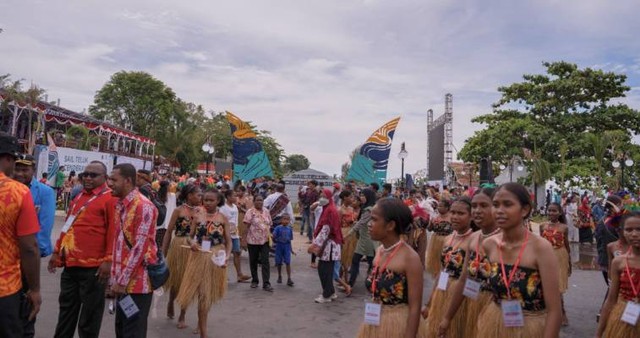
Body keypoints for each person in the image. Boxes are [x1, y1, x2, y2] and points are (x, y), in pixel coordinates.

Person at [476, 183, 561, 337]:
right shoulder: (489, 245)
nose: (499, 211)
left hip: (532, 328)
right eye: (495, 205)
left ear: (525, 210)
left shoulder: (541, 248)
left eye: (507, 204)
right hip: (495, 325)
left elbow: (554, 310)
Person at [48, 160, 117, 338]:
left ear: (105, 178)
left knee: (89, 319)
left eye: (93, 175)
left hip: (94, 270)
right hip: (71, 266)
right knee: (66, 314)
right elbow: (67, 227)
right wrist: (57, 252)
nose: (87, 178)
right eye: (85, 174)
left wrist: (108, 260)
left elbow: (113, 233)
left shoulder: (110, 199)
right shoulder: (78, 196)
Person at [356, 198, 424, 337]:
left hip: (398, 327)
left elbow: (415, 307)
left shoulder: (410, 258)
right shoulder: (380, 250)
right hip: (375, 321)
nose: (369, 224)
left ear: (390, 225)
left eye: (374, 220)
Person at [438, 187, 498, 338]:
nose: (477, 210)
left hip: (496, 312)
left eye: (484, 206)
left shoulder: (507, 241)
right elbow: (464, 279)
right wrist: (447, 317)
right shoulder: (474, 238)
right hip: (471, 302)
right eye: (475, 206)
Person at [108, 163, 158, 338]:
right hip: (122, 286)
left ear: (128, 181)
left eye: (114, 179)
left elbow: (139, 248)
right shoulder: (121, 205)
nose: (110, 183)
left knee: (133, 332)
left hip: (137, 286)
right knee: (122, 331)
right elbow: (119, 245)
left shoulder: (144, 206)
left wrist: (121, 281)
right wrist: (114, 279)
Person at [0, 132, 41, 338]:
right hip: (4, 289)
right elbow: (29, 247)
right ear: (8, 158)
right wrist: (34, 289)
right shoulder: (18, 192)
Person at [177, 189, 231, 338]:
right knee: (200, 294)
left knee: (206, 295)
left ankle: (202, 327)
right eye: (205, 200)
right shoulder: (198, 216)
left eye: (211, 200)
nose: (207, 202)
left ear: (218, 201)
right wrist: (192, 243)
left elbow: (228, 242)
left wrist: (226, 257)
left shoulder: (223, 218)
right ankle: (203, 332)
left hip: (215, 258)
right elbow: (190, 236)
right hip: (199, 257)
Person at [13, 154, 55, 336]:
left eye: (25, 170)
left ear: (33, 170)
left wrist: (36, 253)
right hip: (7, 258)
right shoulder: (7, 188)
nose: (20, 173)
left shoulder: (44, 192)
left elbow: (45, 227)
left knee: (27, 301)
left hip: (28, 257)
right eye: (18, 169)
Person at [422, 197, 474, 337]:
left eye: (461, 213)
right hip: (443, 291)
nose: (455, 217)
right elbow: (441, 272)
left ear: (471, 216)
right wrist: (429, 303)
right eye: (453, 212)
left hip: (462, 297)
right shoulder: (448, 239)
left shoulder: (474, 241)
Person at [161, 183, 201, 328]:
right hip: (178, 247)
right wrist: (163, 252)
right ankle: (171, 301)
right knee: (176, 280)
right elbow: (168, 231)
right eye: (198, 194)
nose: (200, 197)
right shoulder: (178, 211)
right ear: (189, 196)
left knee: (188, 282)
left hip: (194, 248)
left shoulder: (200, 211)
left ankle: (182, 315)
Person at [596, 212, 640, 337]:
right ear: (622, 232)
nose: (634, 234)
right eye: (629, 230)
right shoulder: (619, 262)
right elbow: (611, 300)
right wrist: (599, 333)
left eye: (639, 229)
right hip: (622, 317)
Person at [539, 202, 571, 326]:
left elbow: (567, 246)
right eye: (550, 210)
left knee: (558, 287)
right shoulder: (542, 226)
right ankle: (546, 312)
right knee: (545, 284)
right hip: (546, 257)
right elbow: (540, 244)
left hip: (560, 256)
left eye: (554, 211)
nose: (551, 213)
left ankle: (562, 313)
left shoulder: (564, 227)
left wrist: (569, 263)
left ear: (560, 212)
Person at [310, 189, 343, 303]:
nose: (321, 198)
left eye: (324, 196)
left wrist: (315, 245)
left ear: (329, 198)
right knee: (325, 269)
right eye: (321, 196)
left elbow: (326, 230)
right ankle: (331, 292)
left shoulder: (330, 211)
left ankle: (326, 295)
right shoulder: (328, 209)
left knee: (324, 270)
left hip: (330, 245)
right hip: (328, 245)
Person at [243, 195, 274, 292]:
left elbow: (270, 224)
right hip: (252, 241)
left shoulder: (266, 211)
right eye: (257, 200)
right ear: (254, 201)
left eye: (261, 200)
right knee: (253, 261)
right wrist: (243, 239)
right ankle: (255, 280)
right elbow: (246, 226)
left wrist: (270, 235)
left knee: (265, 261)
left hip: (265, 240)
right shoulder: (250, 212)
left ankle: (266, 283)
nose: (259, 202)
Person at [348, 188, 378, 287]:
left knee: (371, 262)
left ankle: (373, 283)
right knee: (359, 261)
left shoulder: (369, 209)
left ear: (368, 197)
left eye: (363, 196)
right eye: (361, 195)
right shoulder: (369, 207)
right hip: (364, 239)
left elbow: (361, 223)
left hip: (367, 240)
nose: (361, 197)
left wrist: (349, 233)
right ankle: (352, 283)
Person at [220, 189, 251, 283]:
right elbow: (221, 221)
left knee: (237, 253)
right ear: (228, 197)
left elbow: (236, 221)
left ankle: (239, 275)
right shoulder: (223, 207)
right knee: (225, 254)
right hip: (226, 233)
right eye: (233, 195)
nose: (235, 197)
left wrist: (238, 234)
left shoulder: (234, 207)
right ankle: (223, 275)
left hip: (235, 234)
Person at [426, 199, 453, 277]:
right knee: (435, 261)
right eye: (438, 206)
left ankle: (444, 278)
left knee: (444, 261)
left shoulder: (451, 217)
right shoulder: (435, 216)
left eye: (441, 206)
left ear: (447, 208)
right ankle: (437, 278)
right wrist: (431, 223)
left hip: (446, 241)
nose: (438, 208)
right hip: (435, 241)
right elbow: (429, 229)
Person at [338, 190, 356, 293]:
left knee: (349, 257)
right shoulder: (340, 210)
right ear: (345, 197)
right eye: (350, 197)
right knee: (343, 257)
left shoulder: (351, 208)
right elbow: (338, 224)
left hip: (351, 234)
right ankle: (344, 280)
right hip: (343, 233)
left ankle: (343, 280)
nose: (352, 199)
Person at [273, 213, 294, 286]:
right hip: (279, 246)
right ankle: (279, 276)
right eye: (284, 219)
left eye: (287, 219)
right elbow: (274, 236)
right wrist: (273, 236)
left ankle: (289, 278)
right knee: (279, 262)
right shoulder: (278, 228)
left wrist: (291, 250)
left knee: (288, 262)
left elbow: (290, 240)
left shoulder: (290, 229)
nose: (286, 221)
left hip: (287, 247)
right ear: (281, 220)